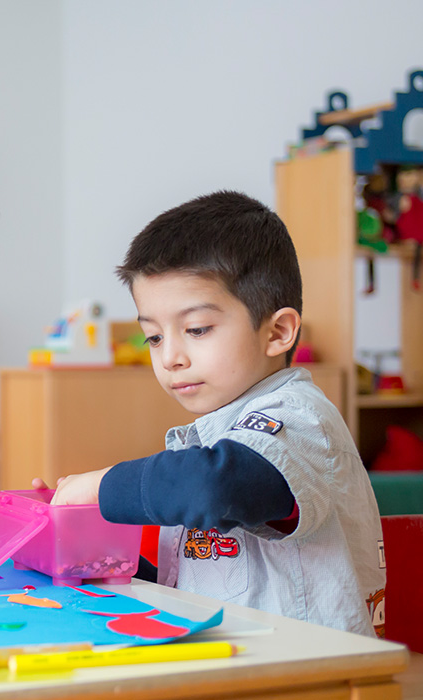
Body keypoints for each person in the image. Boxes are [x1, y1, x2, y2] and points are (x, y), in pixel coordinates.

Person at [35, 191, 386, 638]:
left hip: (310, 674)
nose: (171, 357)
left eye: (197, 329)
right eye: (155, 337)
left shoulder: (297, 419)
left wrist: (98, 485)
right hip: (231, 661)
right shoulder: (212, 442)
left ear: (277, 332)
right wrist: (93, 551)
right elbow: (193, 570)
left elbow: (215, 487)